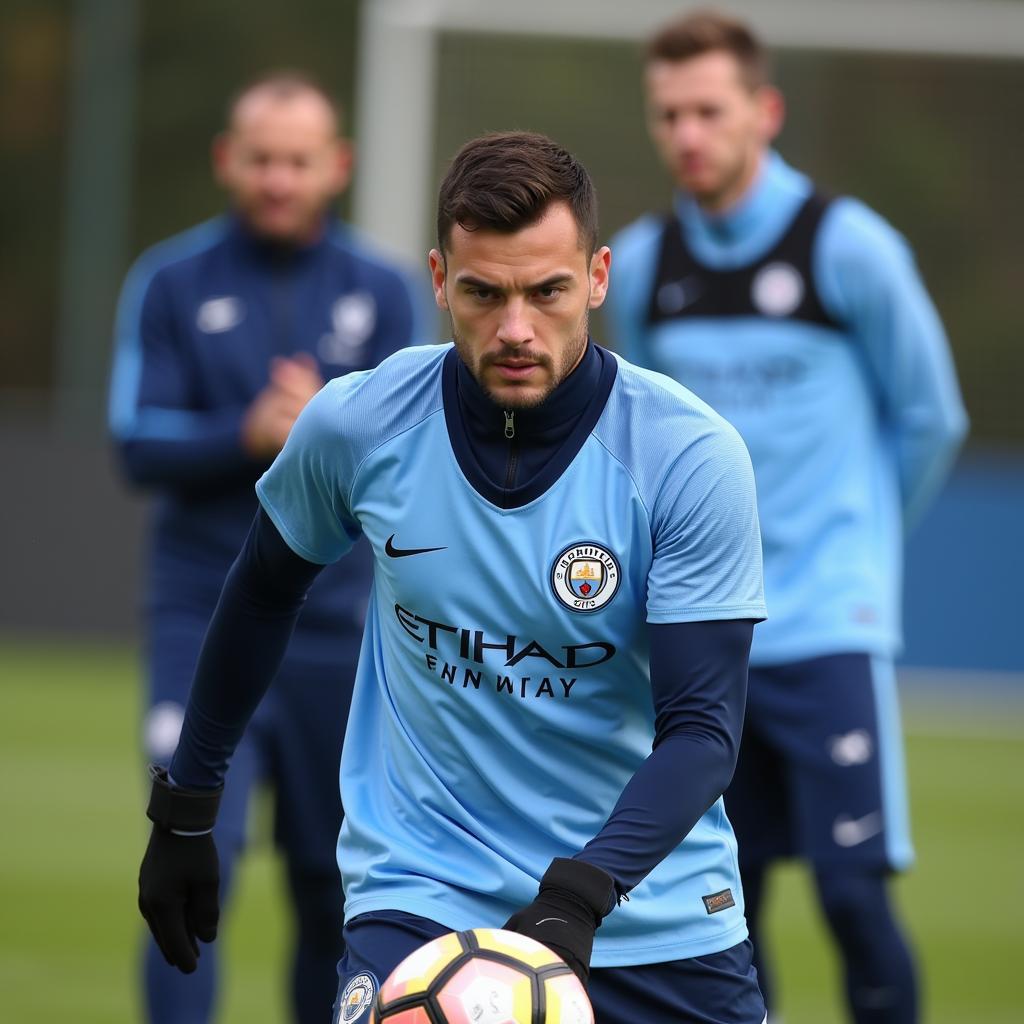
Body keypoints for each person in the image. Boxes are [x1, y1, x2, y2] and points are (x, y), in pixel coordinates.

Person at [134, 130, 772, 1024]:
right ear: (439, 281)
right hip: (424, 893)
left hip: (649, 914)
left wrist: (579, 895)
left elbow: (703, 729)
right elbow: (261, 590)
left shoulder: (688, 456)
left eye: (547, 291)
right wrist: (188, 804)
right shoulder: (358, 425)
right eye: (484, 293)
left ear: (596, 277)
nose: (516, 328)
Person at [605, 11, 969, 1023]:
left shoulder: (848, 248)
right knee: (725, 903)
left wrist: (860, 539)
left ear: (763, 112)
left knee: (851, 892)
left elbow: (930, 415)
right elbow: (645, 435)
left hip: (824, 627)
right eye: (668, 113)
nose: (687, 134)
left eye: (709, 111)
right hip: (706, 633)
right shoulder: (639, 266)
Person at [109, 72, 425, 1024]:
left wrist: (324, 438)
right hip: (201, 617)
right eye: (262, 159)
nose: (279, 179)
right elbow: (135, 441)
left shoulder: (385, 289)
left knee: (331, 885)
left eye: (299, 160)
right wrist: (247, 434)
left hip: (342, 630)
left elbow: (410, 460)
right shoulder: (171, 281)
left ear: (338, 166)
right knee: (198, 856)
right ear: (227, 161)